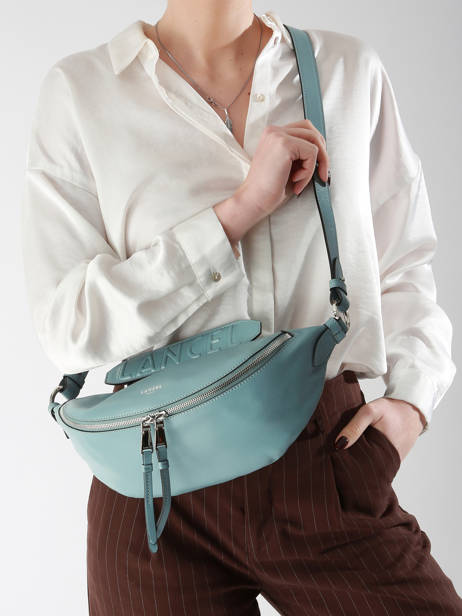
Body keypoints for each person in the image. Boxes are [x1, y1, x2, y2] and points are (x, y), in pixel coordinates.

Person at [21, 1, 462, 614]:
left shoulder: (345, 69)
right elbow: (68, 326)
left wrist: (411, 401)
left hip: (323, 456)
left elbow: (403, 260)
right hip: (154, 488)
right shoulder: (83, 90)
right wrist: (236, 215)